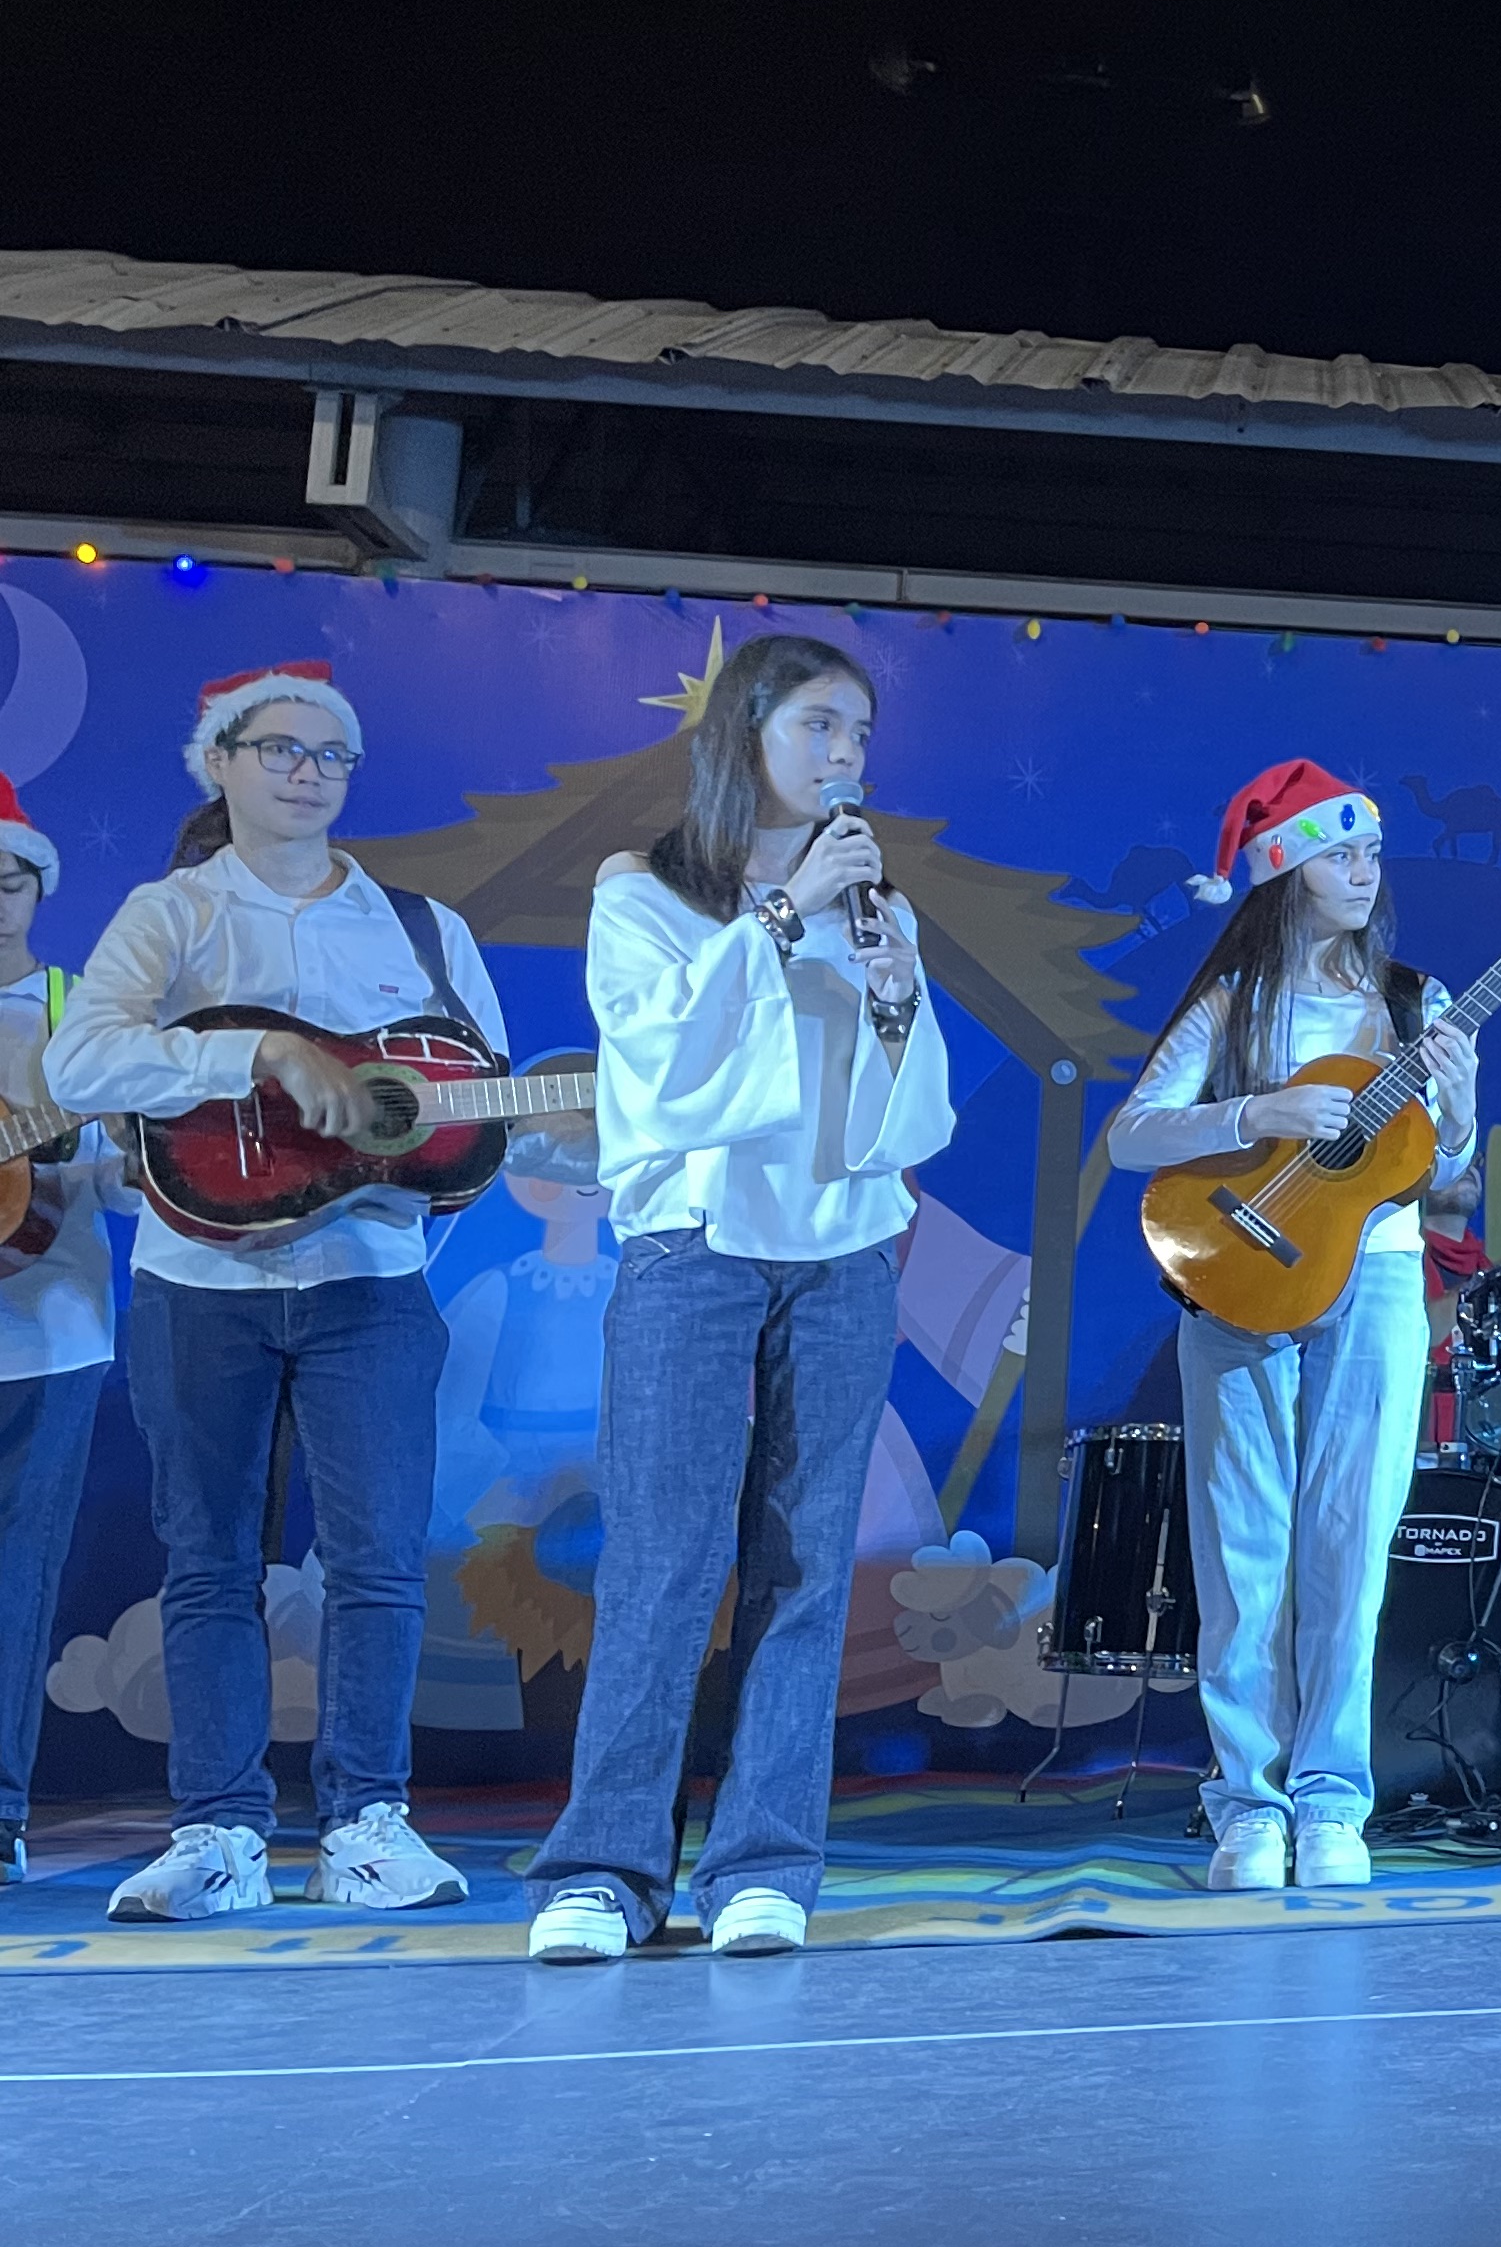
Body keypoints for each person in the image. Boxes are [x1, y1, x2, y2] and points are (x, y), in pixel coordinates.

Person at [48, 661, 564, 1921]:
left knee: (378, 1562)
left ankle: (367, 1824)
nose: (305, 771)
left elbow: (480, 1110)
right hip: (197, 1281)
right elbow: (80, 1061)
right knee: (209, 1559)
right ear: (219, 762)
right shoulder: (170, 915)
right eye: (277, 747)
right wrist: (265, 1052)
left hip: (370, 1284)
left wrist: (572, 1136)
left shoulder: (421, 930)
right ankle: (219, 1832)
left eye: (331, 754)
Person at [525, 635, 953, 1962]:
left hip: (840, 1256)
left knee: (809, 1564)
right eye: (821, 724)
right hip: (694, 1252)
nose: (845, 755)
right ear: (746, 732)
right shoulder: (645, 890)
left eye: (860, 733)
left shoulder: (875, 906)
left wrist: (894, 1000)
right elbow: (657, 1060)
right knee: (663, 1559)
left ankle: (766, 1863)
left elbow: (907, 1110)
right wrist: (779, 916)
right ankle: (603, 1870)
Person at [1106, 763, 1474, 1892]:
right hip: (1245, 1281)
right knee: (1244, 1552)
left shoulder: (1414, 1003)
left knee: (1351, 1549)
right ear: (1285, 871)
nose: (1364, 874)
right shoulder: (1236, 1004)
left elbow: (1444, 1172)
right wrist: (1257, 1112)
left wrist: (1458, 1108)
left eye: (1372, 854)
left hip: (1380, 1278)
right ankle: (1248, 1807)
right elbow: (1131, 1135)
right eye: (1338, 855)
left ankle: (1331, 1803)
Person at [0, 775, 114, 1887]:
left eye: (11, 880)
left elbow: (127, 1180)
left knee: (17, 1579)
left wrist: (97, 1155)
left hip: (53, 1334)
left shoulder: (82, 1014)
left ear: (39, 889)